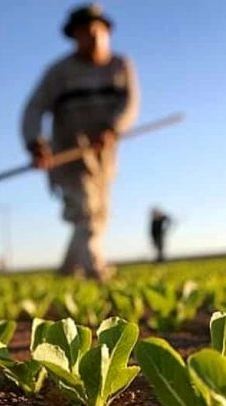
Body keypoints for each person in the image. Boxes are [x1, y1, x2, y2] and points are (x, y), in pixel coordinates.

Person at [21, 4, 139, 282]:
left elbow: (130, 103)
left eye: (98, 30)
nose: (93, 36)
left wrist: (113, 128)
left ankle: (66, 271)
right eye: (85, 32)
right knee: (85, 211)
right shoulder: (59, 72)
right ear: (75, 36)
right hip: (68, 155)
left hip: (103, 157)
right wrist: (35, 142)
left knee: (98, 215)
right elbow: (34, 109)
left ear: (107, 33)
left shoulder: (121, 66)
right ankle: (95, 271)